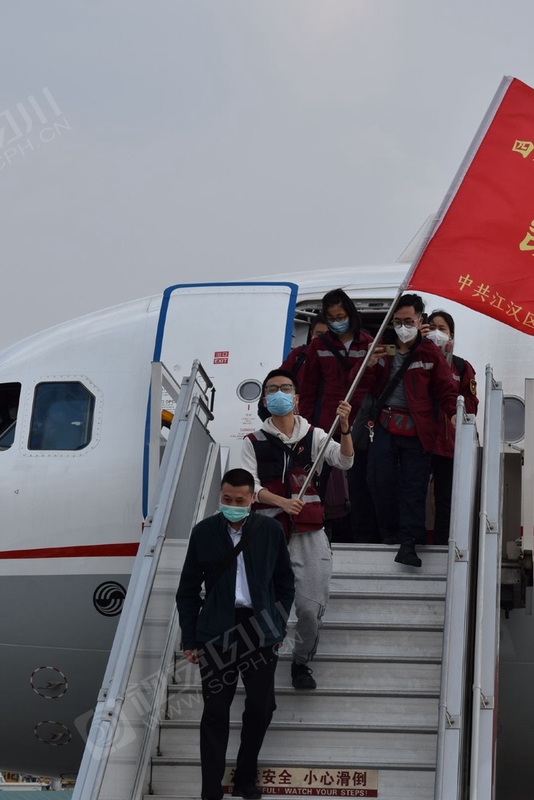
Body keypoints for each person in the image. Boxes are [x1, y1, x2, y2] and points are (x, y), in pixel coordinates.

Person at [176, 468, 296, 800]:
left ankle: (245, 778)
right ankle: (210, 790)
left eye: (239, 500)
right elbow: (187, 591)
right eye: (226, 499)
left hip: (259, 629)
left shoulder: (270, 531)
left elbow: (285, 584)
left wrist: (278, 625)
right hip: (217, 630)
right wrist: (190, 639)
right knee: (215, 712)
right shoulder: (203, 532)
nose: (232, 505)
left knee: (261, 708)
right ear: (220, 496)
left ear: (252, 499)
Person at [241, 369, 353, 691]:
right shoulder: (253, 442)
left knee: (309, 607)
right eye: (272, 389)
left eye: (285, 388)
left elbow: (344, 461)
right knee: (263, 604)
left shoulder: (315, 435)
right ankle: (263, 660)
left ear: (296, 398)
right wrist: (282, 502)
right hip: (268, 531)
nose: (279, 393)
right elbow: (249, 487)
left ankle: (301, 662)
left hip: (309, 533)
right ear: (265, 400)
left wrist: (345, 427)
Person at [368, 293, 457, 567]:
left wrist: (455, 413)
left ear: (420, 321)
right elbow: (360, 385)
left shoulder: (430, 353)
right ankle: (389, 533)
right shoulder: (381, 348)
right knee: (381, 480)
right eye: (398, 321)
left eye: (408, 321)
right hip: (384, 425)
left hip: (418, 429)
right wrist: (368, 365)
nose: (403, 327)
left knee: (414, 487)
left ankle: (409, 543)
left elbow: (446, 388)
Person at [297, 289, 385, 544]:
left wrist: (371, 366)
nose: (337, 322)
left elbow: (380, 386)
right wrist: (306, 427)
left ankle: (362, 538)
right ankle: (316, 535)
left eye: (341, 317)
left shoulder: (369, 342)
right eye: (332, 318)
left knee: (359, 483)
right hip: (326, 424)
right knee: (319, 482)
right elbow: (308, 388)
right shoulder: (318, 345)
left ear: (351, 315)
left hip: (360, 424)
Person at [426, 310, 479, 546]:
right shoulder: (416, 360)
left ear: (451, 335)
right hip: (419, 439)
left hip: (448, 444)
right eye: (432, 328)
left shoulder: (461, 367)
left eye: (442, 329)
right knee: (413, 493)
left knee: (445, 498)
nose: (436, 333)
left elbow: (472, 404)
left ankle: (442, 543)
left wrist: (452, 400)